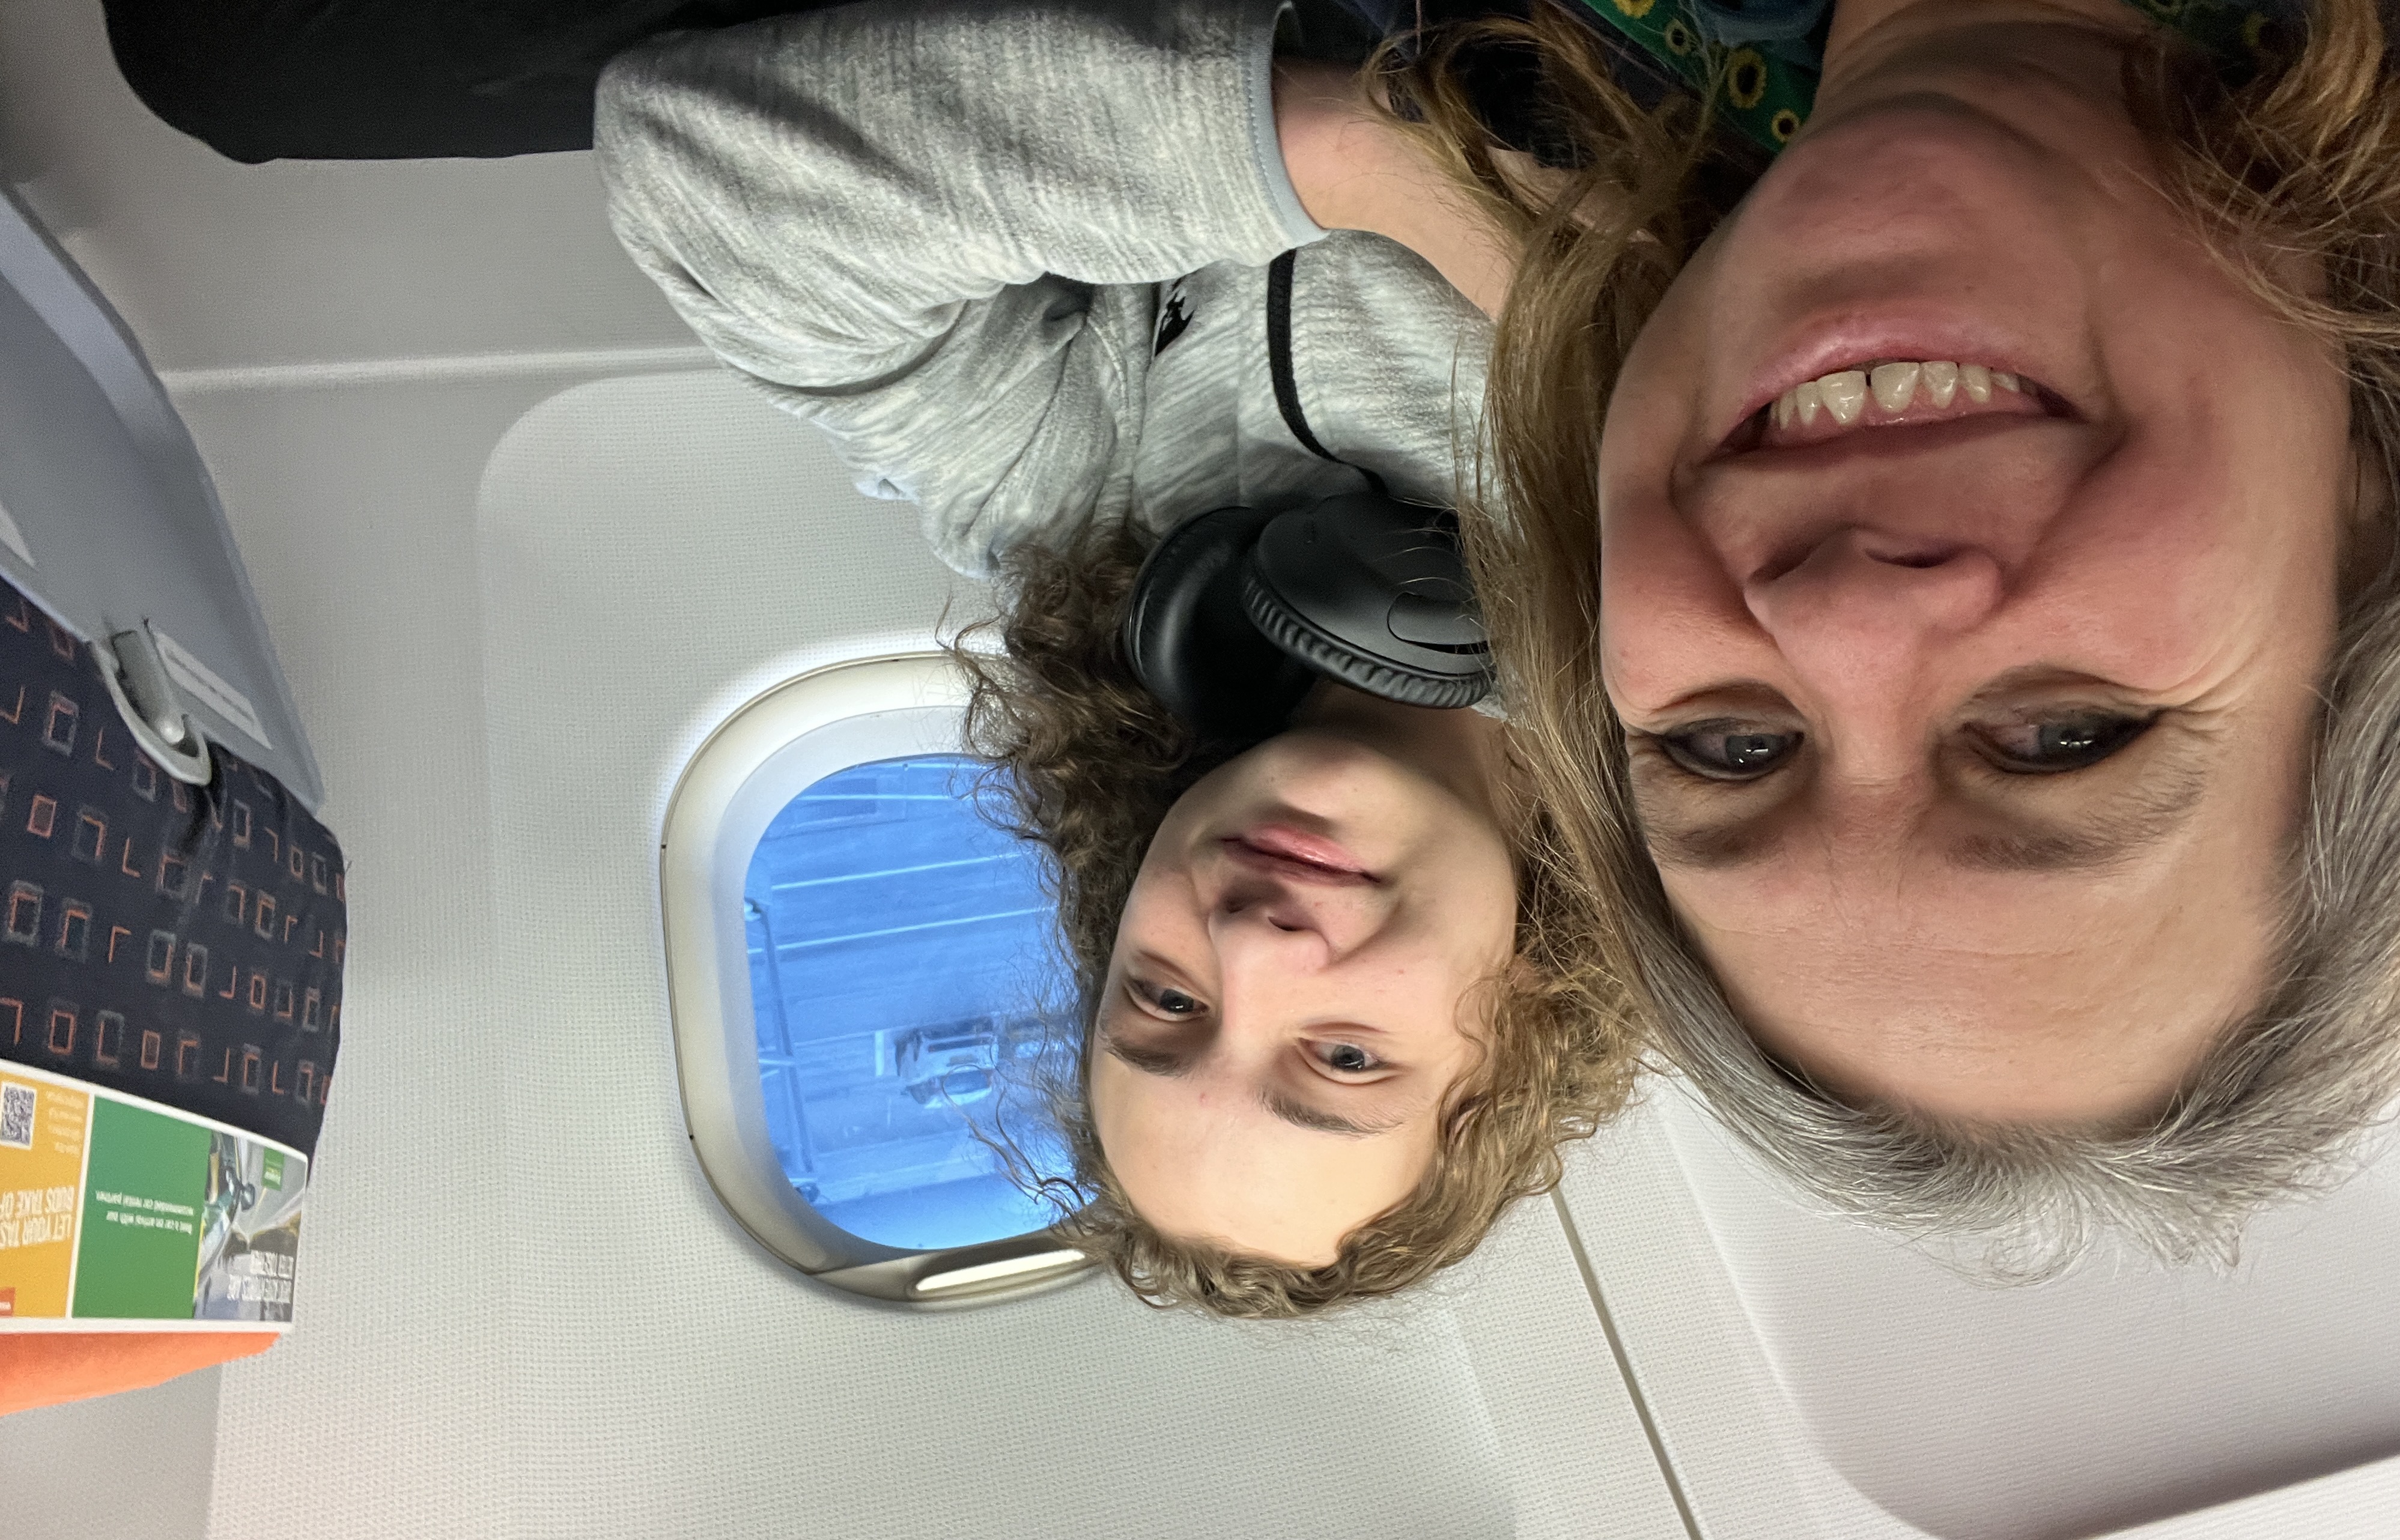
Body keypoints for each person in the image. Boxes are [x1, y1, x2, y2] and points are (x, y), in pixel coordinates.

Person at [594, 0, 1635, 1313]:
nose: (1251, 950)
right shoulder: (1713, 641)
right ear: (1524, 1027)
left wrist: (1362, 161)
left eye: (1163, 998)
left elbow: (694, 175)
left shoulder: (1107, 532)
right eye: (1349, 1058)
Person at [1388, 0, 2400, 1278]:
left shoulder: (1489, 59)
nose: (1843, 619)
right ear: (2378, 532)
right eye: (2064, 739)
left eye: (1731, 745)